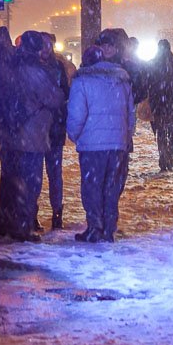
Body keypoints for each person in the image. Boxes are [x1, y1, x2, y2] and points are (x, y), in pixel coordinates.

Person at [67, 45, 135, 243]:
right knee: (111, 187)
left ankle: (95, 227)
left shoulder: (82, 82)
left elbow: (77, 115)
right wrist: (125, 136)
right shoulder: (121, 81)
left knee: (93, 187)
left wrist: (74, 135)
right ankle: (109, 227)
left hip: (92, 146)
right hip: (117, 145)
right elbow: (130, 114)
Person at [4, 31, 65, 242]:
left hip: (13, 134)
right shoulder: (35, 72)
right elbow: (55, 98)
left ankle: (12, 223)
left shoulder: (12, 67)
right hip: (32, 135)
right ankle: (24, 226)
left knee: (15, 182)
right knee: (30, 183)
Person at [39, 32, 72, 230]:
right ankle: (40, 213)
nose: (46, 48)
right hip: (42, 128)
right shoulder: (54, 66)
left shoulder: (55, 66)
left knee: (52, 173)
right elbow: (64, 94)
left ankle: (56, 212)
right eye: (43, 44)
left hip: (50, 128)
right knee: (40, 175)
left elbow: (65, 94)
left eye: (48, 44)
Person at [148, 39, 173, 172]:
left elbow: (146, 83)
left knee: (160, 131)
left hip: (158, 104)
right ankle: (170, 153)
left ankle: (164, 155)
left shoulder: (152, 64)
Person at [0, 27, 18, 235]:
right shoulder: (12, 61)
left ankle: (2, 216)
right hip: (12, 121)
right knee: (12, 173)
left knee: (7, 172)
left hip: (1, 120)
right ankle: (9, 216)